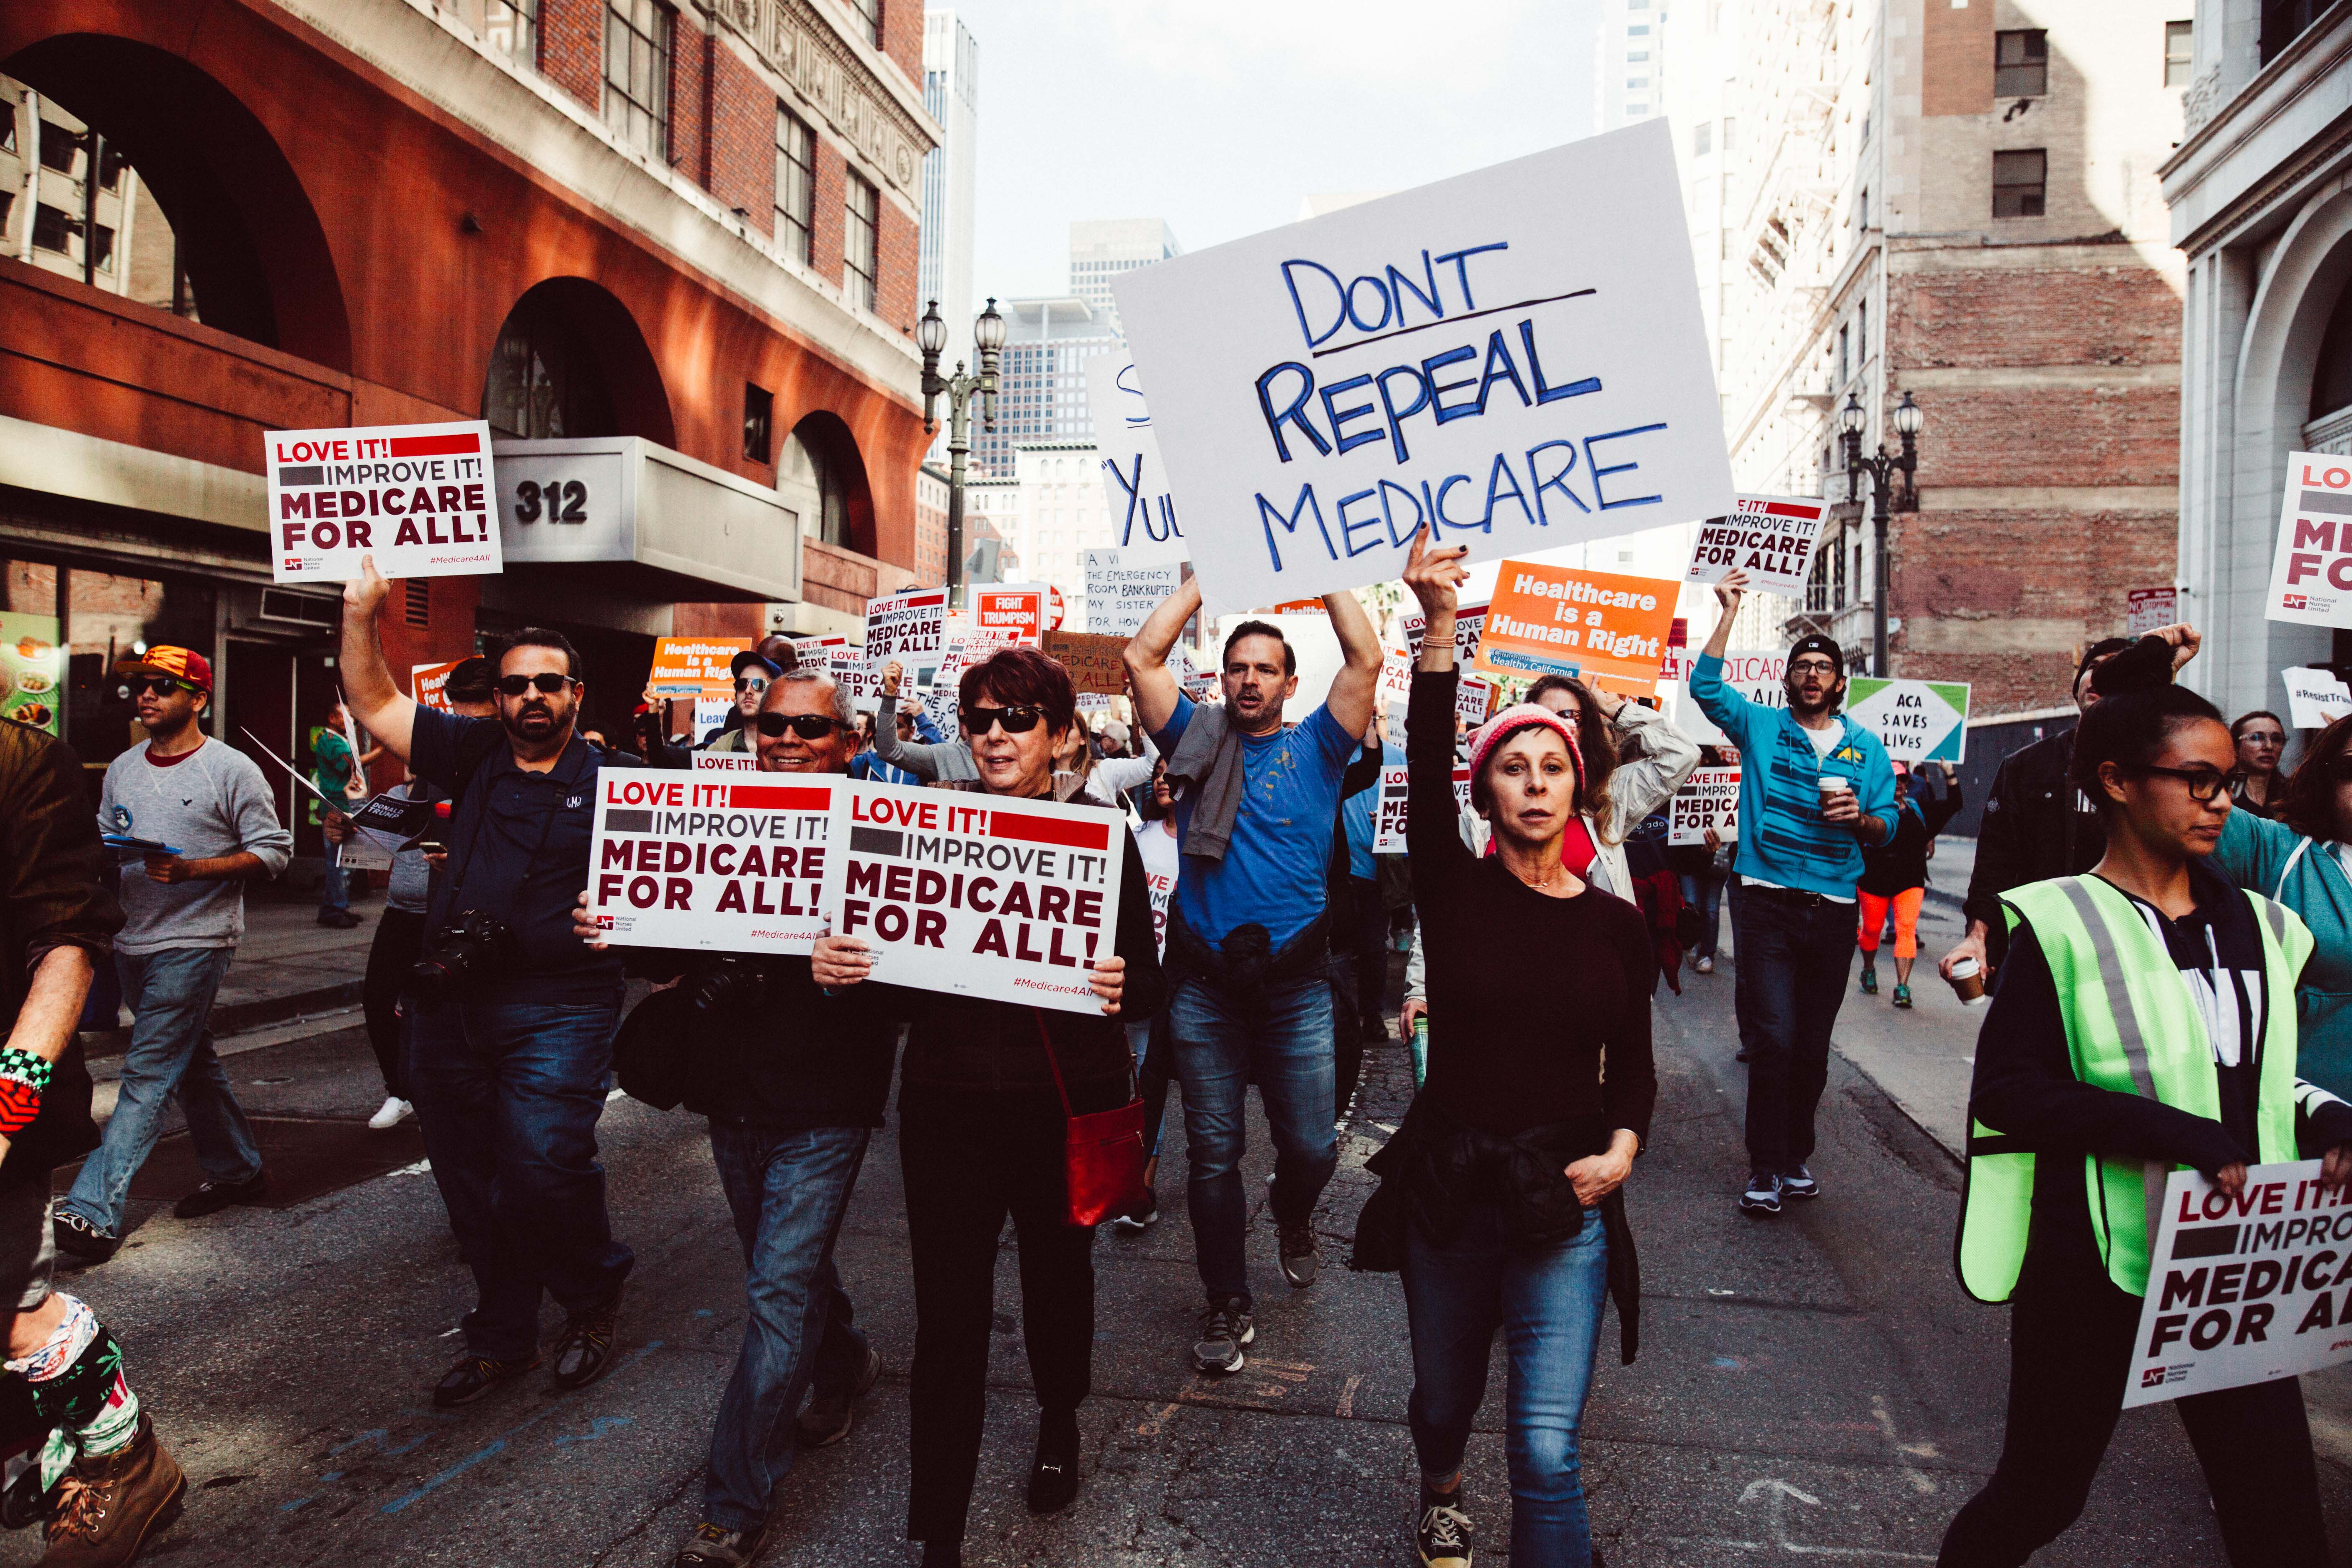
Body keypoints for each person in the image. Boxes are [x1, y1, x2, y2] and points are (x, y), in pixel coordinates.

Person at [1939, 683, 2352, 1568]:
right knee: (2041, 1496)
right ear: (2118, 782)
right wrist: (2173, 1132)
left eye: (2229, 784)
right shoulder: (2058, 922)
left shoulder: (2270, 931)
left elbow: (2261, 1077)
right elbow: (2008, 1092)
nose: (2220, 803)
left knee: (2280, 1520)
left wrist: (2329, 1119)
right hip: (2097, 1262)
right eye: (2196, 781)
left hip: (2233, 1270)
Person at [812, 644, 1157, 1568]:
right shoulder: (926, 828)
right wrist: (844, 971)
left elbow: (1152, 989)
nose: (996, 735)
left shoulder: (1101, 838)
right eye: (980, 719)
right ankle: (940, 1532)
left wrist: (1123, 982)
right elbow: (893, 990)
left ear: (1061, 734)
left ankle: (1058, 1420)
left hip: (1057, 1108)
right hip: (947, 1109)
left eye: (1017, 718)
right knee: (948, 1319)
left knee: (1056, 1289)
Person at [1372, 527, 1653, 1568]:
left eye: (1553, 768)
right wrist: (1441, 626)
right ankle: (1439, 1485)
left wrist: (1622, 1148)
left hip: (1562, 1193)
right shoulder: (1451, 891)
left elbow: (1633, 1064)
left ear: (1577, 789)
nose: (1533, 782)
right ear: (1486, 789)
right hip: (1450, 1186)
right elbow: (1427, 731)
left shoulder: (1616, 924)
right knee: (1442, 1397)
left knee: (1545, 1446)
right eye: (1513, 768)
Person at [573, 668, 896, 1568]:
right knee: (779, 1271)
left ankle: (734, 1500)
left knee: (777, 1291)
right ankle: (846, 1363)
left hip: (827, 1101)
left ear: (848, 743)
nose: (788, 740)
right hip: (734, 1094)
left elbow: (925, 977)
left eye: (810, 729)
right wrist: (614, 921)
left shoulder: (886, 837)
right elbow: (667, 940)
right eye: (774, 726)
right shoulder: (711, 816)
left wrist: (866, 966)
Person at [338, 556, 634, 1408]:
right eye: (514, 686)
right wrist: (363, 612)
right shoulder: (470, 752)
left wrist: (630, 922)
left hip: (563, 1004)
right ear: (497, 698)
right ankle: (503, 1335)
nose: (530, 698)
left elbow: (674, 889)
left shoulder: (622, 786)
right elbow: (375, 702)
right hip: (450, 1006)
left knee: (543, 1163)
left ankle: (590, 1292)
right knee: (468, 1177)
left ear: (577, 694)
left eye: (549, 683)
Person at [1122, 574, 1382, 1372]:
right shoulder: (1193, 738)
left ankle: (1293, 1210)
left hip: (1295, 989)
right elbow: (1141, 653)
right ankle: (1226, 1298)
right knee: (1213, 1150)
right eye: (1238, 666)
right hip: (1203, 986)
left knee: (1309, 1146)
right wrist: (1206, 580)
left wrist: (1323, 567)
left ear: (1290, 683)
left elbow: (1366, 654)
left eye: (1266, 668)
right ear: (1221, 677)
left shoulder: (1321, 747)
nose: (1249, 679)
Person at [0, 713, 187, 1564]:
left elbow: (69, 949)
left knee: (9, 1312)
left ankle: (120, 1452)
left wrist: (3, 1114)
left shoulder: (20, 762)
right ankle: (33, 1455)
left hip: (6, 1085)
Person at [53, 647, 291, 1264]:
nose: (147, 696)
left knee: (148, 1072)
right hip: (131, 939)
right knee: (191, 1064)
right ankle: (238, 1170)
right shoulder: (124, 768)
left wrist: (194, 869)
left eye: (164, 685)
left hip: (197, 940)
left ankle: (91, 1211)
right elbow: (105, 838)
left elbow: (274, 853)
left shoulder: (231, 769)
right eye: (141, 686)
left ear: (199, 699)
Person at [1690, 570, 1897, 1217]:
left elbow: (1889, 822)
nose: (1812, 674)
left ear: (1840, 683)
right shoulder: (1759, 726)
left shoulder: (1866, 749)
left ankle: (1794, 1155)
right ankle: (1764, 1167)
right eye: (1802, 665)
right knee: (1774, 1039)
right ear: (1787, 680)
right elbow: (1705, 688)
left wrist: (1860, 821)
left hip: (1834, 910)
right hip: (1767, 905)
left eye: (1823, 667)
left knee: (1811, 1047)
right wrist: (1727, 613)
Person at [1399, 668, 1701, 1036]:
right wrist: (1421, 988)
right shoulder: (1482, 820)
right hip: (1499, 991)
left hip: (1589, 994)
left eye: (1572, 715)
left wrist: (1616, 709)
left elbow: (1682, 755)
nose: (1560, 724)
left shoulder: (1609, 800)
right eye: (1546, 715)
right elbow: (1441, 907)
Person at [1942, 627, 2199, 984]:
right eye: (2092, 666)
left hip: (2134, 947)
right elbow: (1994, 863)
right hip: (2045, 945)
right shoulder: (2026, 766)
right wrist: (1978, 937)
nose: (2099, 675)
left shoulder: (2158, 771)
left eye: (2116, 668)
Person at [323, 656, 498, 1132]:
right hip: (404, 909)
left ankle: (454, 1102)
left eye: (476, 719)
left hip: (459, 914)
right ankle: (402, 1091)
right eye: (456, 715)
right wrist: (351, 823)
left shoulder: (501, 768)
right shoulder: (428, 761)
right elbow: (387, 834)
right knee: (379, 999)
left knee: (450, 1014)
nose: (465, 731)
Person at [2206, 710, 2352, 1099]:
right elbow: (2178, 788)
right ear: (2324, 777)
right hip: (2310, 1114)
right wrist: (2153, 683)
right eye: (2350, 767)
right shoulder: (2275, 850)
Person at [1112, 760, 1181, 1234]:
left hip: (1183, 982)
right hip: (1138, 976)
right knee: (1137, 1083)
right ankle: (1137, 1184)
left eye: (1172, 772)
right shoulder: (1140, 838)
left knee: (1158, 1082)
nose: (1161, 779)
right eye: (1156, 772)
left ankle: (1144, 1183)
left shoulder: (1204, 843)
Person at [1855, 762, 1964, 1008]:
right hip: (1874, 880)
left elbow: (1955, 804)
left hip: (1910, 881)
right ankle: (1869, 969)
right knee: (1872, 930)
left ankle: (1902, 987)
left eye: (1904, 780)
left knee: (1906, 929)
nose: (1900, 784)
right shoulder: (1869, 809)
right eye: (1895, 779)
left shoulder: (1918, 810)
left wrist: (1949, 773)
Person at [310, 700, 379, 929]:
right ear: (332, 719)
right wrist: (383, 749)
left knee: (344, 860)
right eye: (345, 717)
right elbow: (354, 765)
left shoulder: (337, 740)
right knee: (339, 862)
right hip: (338, 807)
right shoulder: (331, 742)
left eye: (352, 717)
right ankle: (335, 909)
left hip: (342, 805)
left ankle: (335, 906)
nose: (351, 722)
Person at [703, 649, 782, 751]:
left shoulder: (789, 745)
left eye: (759, 684)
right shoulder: (720, 748)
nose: (748, 691)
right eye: (742, 684)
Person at [2229, 709, 2287, 818]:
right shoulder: (2225, 791)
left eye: (2276, 739)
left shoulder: (2292, 794)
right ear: (2235, 747)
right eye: (2257, 738)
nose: (2269, 747)